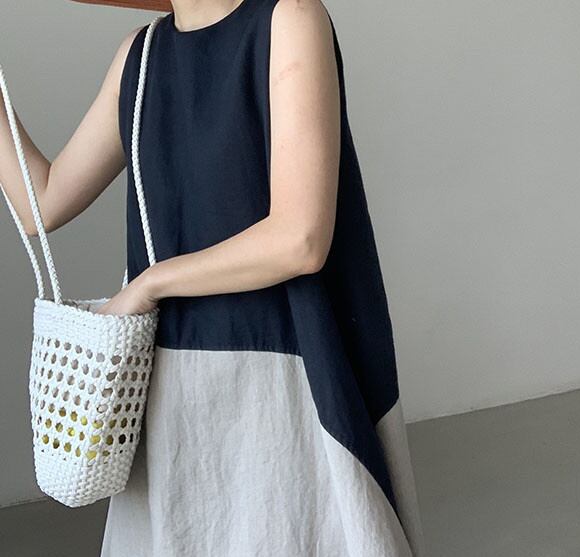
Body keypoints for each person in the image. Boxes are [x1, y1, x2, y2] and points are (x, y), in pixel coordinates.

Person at [0, 0, 426, 555]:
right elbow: (41, 203)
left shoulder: (289, 17)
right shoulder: (140, 56)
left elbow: (300, 238)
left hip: (285, 380)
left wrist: (148, 284)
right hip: (171, 390)